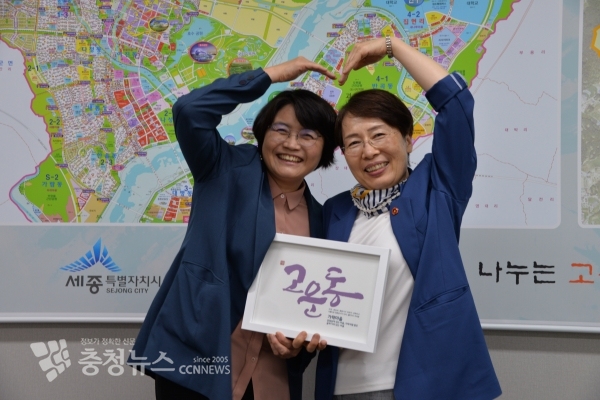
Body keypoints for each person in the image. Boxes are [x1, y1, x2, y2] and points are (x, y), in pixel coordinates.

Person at [129, 57, 335, 400]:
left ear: (325, 148)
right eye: (281, 130)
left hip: (272, 380)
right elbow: (189, 110)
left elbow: (313, 308)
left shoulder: (324, 220)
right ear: (262, 134)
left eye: (308, 135)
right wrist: (269, 75)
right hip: (196, 367)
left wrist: (297, 345)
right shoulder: (222, 169)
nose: (292, 144)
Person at [313, 36, 502, 399]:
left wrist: (392, 46)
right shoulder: (334, 212)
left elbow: (456, 101)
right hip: (343, 387)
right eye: (353, 143)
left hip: (425, 386)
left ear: (408, 140)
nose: (369, 151)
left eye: (378, 135)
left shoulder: (436, 191)